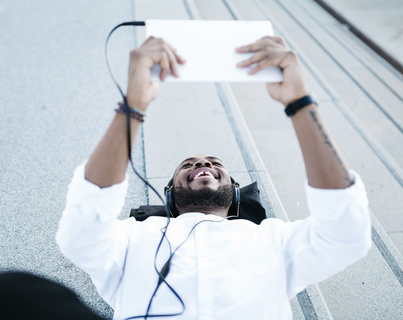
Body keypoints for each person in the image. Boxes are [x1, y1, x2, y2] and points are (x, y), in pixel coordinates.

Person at [55, 35, 372, 319]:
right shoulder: (131, 238)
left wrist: (300, 100)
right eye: (188, 165)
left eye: (212, 162)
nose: (201, 164)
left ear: (235, 192)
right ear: (170, 196)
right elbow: (82, 230)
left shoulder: (274, 240)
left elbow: (346, 233)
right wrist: (133, 104)